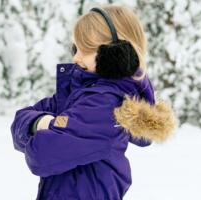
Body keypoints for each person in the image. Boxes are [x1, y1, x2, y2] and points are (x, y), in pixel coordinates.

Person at [10, 5, 176, 200]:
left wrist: (46, 123)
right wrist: (44, 123)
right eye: (75, 48)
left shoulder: (106, 105)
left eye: (85, 50)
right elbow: (19, 122)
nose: (76, 57)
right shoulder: (81, 93)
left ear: (115, 55)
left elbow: (41, 155)